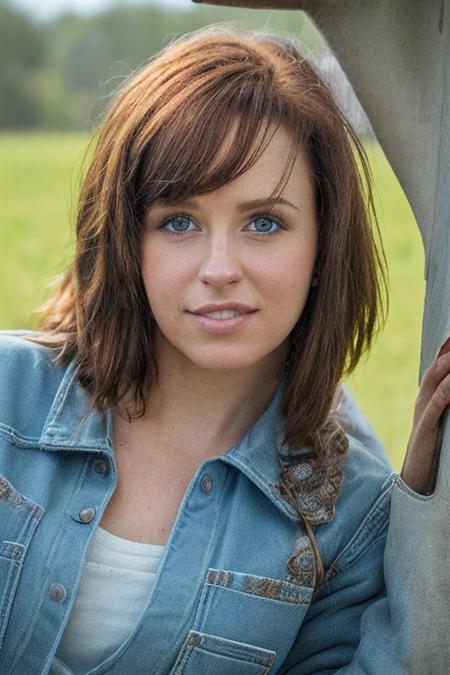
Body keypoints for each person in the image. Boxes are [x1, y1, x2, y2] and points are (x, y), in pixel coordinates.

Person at [0, 26, 449, 675]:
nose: (219, 267)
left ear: (323, 242)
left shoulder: (347, 514)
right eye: (178, 221)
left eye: (264, 222)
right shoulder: (7, 397)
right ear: (131, 241)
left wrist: (427, 520)